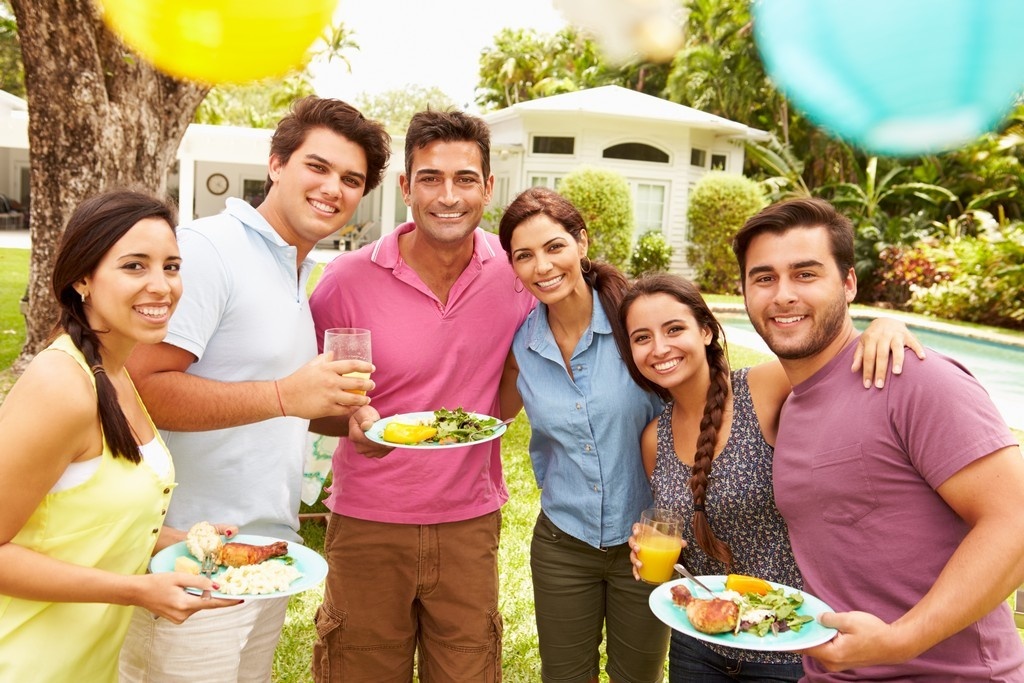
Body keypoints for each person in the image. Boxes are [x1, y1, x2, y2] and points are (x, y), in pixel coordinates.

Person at [118, 97, 391, 682]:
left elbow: (270, 400)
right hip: (187, 552)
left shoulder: (297, 268)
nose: (332, 189)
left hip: (267, 551)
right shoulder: (208, 250)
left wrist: (346, 423)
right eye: (316, 167)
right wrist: (288, 395)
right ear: (275, 164)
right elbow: (138, 386)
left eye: (351, 179)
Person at [732, 197, 1024, 680]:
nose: (782, 295)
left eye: (806, 274)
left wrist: (899, 641)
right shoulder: (790, 403)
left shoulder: (911, 378)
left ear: (848, 284)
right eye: (764, 278)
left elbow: (1014, 522)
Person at [308, 109, 535, 682]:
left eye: (464, 179)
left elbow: (508, 401)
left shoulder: (515, 275)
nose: (448, 196)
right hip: (367, 523)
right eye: (430, 178)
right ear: (407, 187)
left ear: (488, 187)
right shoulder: (346, 280)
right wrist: (352, 422)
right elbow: (312, 405)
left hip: (469, 522)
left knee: (467, 670)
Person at [617, 272, 923, 681]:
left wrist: (886, 327)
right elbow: (683, 537)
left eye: (674, 329)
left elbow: (837, 356)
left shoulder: (764, 387)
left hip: (786, 642)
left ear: (706, 331)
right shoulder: (655, 438)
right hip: (698, 640)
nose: (659, 348)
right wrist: (649, 551)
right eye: (642, 337)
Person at [0, 190, 238, 682]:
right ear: (83, 279)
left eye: (171, 266)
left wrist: (183, 543)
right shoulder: (60, 386)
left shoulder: (115, 372)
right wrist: (135, 589)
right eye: (135, 266)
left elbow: (80, 521)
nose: (162, 286)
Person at [496, 187, 669, 683]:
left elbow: (710, 386)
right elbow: (490, 412)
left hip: (646, 542)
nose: (542, 266)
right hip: (563, 542)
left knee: (637, 677)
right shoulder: (522, 346)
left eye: (554, 247)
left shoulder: (638, 323)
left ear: (581, 244)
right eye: (524, 256)